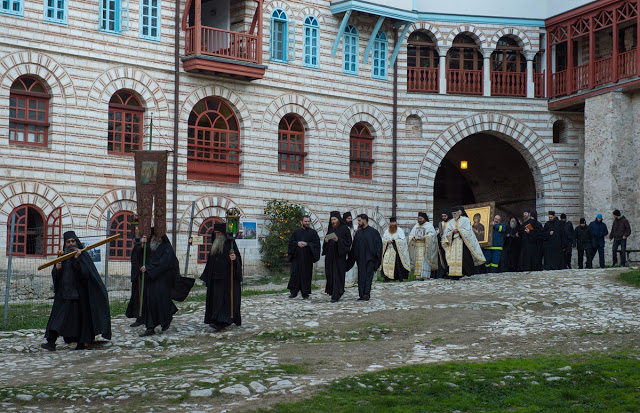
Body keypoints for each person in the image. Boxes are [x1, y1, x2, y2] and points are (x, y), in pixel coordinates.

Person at [41, 231, 111, 351]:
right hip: (64, 295)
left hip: (80, 295)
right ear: (65, 243)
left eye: (73, 241)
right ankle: (51, 342)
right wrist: (57, 270)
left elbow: (85, 274)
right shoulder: (62, 256)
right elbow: (56, 276)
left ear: (76, 242)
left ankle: (81, 342)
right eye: (68, 242)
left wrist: (77, 259)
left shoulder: (83, 256)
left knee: (80, 321)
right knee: (57, 319)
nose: (71, 244)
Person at [136, 229, 180, 337]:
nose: (154, 238)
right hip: (150, 280)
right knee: (149, 303)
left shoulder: (167, 248)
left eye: (156, 236)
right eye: (153, 236)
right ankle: (150, 328)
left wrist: (149, 268)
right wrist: (142, 245)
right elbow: (141, 257)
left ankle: (166, 319)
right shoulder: (150, 246)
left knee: (161, 302)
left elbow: (164, 263)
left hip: (162, 281)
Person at [200, 222, 242, 330]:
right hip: (215, 279)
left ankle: (223, 321)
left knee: (224, 301)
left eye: (219, 233)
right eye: (216, 233)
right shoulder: (214, 245)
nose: (217, 235)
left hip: (227, 280)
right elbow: (210, 262)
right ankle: (215, 320)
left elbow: (238, 259)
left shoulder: (230, 244)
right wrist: (207, 276)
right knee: (215, 301)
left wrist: (234, 259)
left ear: (223, 234)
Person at [441, 206, 486, 278]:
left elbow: (468, 231)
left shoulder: (465, 220)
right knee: (453, 258)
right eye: (453, 214)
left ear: (459, 213)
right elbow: (447, 233)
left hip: (463, 242)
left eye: (455, 213)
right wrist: (453, 232)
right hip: (454, 242)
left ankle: (465, 273)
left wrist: (459, 231)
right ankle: (454, 274)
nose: (454, 215)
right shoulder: (450, 222)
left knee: (465, 258)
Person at [287, 215, 321, 299]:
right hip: (297, 258)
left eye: (308, 221)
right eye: (305, 221)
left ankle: (305, 293)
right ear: (301, 222)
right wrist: (297, 243)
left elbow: (316, 244)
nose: (307, 223)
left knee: (306, 276)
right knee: (295, 275)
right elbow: (291, 243)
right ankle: (294, 292)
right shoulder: (296, 232)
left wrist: (307, 244)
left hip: (307, 259)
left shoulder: (313, 233)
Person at [350, 214, 382, 300]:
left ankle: (366, 294)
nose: (358, 222)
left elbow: (378, 246)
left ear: (365, 220)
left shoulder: (374, 232)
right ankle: (361, 294)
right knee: (361, 277)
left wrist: (377, 258)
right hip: (360, 259)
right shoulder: (358, 233)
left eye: (359, 220)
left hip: (370, 259)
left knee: (368, 277)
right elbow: (355, 246)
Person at [322, 211, 352, 302]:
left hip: (339, 257)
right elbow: (325, 244)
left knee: (338, 275)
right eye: (332, 220)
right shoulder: (330, 229)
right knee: (330, 274)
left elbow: (348, 243)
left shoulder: (345, 229)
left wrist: (338, 240)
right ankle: (332, 292)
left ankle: (337, 293)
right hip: (330, 257)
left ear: (339, 219)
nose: (333, 221)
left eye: (334, 219)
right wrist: (326, 241)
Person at [408, 212, 438, 280]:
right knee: (418, 261)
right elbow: (411, 234)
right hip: (417, 247)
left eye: (421, 218)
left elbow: (433, 235)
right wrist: (413, 238)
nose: (420, 220)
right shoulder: (416, 226)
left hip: (425, 247)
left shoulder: (429, 225)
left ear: (424, 218)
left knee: (424, 261)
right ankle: (418, 275)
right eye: (419, 219)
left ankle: (425, 276)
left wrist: (425, 237)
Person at [381, 217, 411, 282]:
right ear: (389, 223)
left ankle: (399, 277)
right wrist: (387, 241)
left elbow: (403, 241)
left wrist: (395, 241)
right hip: (388, 249)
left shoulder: (400, 231)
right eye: (391, 222)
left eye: (394, 222)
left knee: (396, 263)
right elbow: (383, 239)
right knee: (385, 262)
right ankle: (387, 277)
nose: (392, 224)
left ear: (396, 223)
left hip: (397, 251)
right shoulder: (387, 231)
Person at [125, 236, 144, 327]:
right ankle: (139, 317)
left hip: (147, 276)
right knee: (137, 297)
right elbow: (136, 260)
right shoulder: (138, 247)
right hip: (138, 275)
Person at [343, 212, 358, 288]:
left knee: (353, 265)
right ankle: (345, 281)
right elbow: (330, 235)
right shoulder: (341, 227)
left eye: (351, 218)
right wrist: (327, 238)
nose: (350, 220)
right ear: (345, 219)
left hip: (352, 248)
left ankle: (352, 281)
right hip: (344, 249)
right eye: (348, 218)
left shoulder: (354, 227)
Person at [435, 210, 451, 278]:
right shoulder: (441, 223)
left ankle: (450, 272)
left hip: (450, 243)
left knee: (450, 258)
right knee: (444, 259)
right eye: (442, 216)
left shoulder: (451, 222)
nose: (444, 217)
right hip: (442, 243)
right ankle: (445, 272)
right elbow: (438, 233)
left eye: (445, 216)